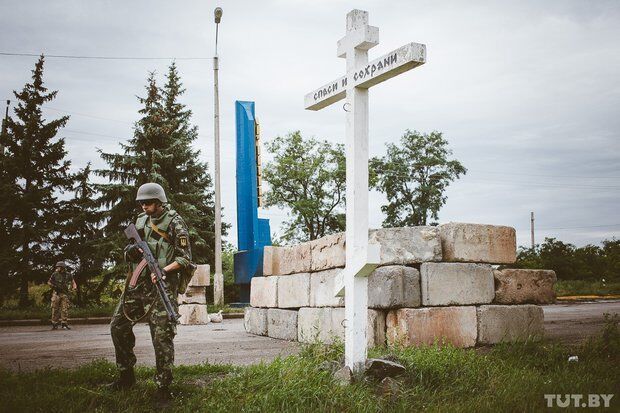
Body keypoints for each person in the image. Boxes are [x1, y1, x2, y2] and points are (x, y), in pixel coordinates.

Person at [108, 182, 193, 401]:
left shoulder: (175, 223)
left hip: (162, 286)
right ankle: (126, 375)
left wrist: (163, 270)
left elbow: (185, 258)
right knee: (118, 326)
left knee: (161, 336)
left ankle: (163, 387)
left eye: (148, 203)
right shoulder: (141, 221)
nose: (144, 206)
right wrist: (133, 251)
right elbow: (131, 250)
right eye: (142, 203)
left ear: (159, 202)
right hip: (138, 285)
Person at [47, 261, 76, 330]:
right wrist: (53, 286)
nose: (57, 268)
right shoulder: (54, 274)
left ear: (63, 267)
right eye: (57, 267)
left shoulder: (68, 275)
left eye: (59, 267)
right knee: (55, 309)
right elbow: (49, 282)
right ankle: (54, 324)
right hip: (56, 293)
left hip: (64, 294)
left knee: (64, 309)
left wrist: (74, 288)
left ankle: (64, 323)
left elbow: (73, 282)